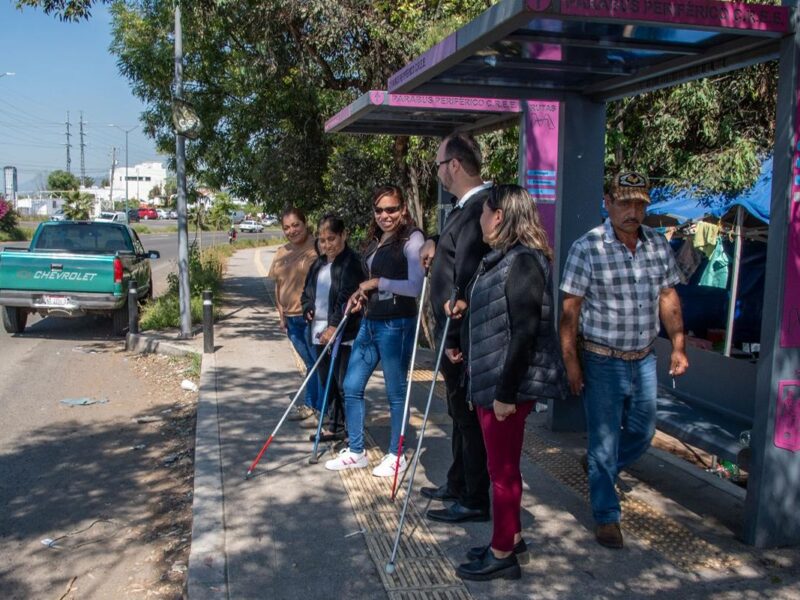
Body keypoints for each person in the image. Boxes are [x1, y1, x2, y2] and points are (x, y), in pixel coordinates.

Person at [559, 171, 689, 549]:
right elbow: (570, 311)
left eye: (640, 203)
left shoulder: (656, 245)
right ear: (608, 201)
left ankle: (604, 466)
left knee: (643, 432)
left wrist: (678, 344)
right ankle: (606, 515)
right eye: (624, 202)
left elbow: (667, 297)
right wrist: (571, 363)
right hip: (601, 360)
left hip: (644, 358)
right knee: (603, 441)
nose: (633, 211)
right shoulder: (588, 247)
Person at [446, 184, 566, 581]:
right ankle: (509, 538)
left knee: (502, 472)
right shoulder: (502, 260)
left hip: (504, 387)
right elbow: (499, 317)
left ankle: (502, 554)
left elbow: (525, 332)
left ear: (498, 216)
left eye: (484, 212)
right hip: (492, 379)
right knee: (506, 468)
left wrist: (505, 394)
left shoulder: (524, 262)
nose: (479, 218)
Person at [324, 185, 425, 477]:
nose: (385, 215)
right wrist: (362, 294)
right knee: (351, 386)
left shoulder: (412, 239)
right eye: (379, 210)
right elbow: (372, 282)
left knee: (396, 392)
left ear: (403, 209)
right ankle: (356, 451)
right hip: (370, 321)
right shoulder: (377, 239)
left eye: (391, 209)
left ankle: (397, 454)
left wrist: (377, 283)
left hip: (397, 324)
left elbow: (415, 287)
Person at [418, 132, 492, 524]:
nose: (439, 173)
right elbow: (452, 248)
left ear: (456, 165)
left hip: (462, 337)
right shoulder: (465, 208)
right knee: (457, 415)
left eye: (439, 165)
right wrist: (433, 240)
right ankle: (458, 481)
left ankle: (475, 497)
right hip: (453, 335)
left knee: (468, 417)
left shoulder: (483, 207)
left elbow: (470, 277)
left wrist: (457, 338)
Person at [301, 214, 366, 442]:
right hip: (319, 333)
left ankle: (351, 431)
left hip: (342, 333)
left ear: (343, 235)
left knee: (343, 382)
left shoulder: (352, 262)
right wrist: (307, 307)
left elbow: (347, 298)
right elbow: (307, 293)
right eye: (322, 240)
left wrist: (333, 327)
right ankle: (334, 425)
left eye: (331, 238)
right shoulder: (318, 263)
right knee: (326, 381)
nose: (327, 245)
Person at [268, 207, 322, 427]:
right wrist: (281, 315)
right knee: (311, 362)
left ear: (305, 223)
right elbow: (278, 285)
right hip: (291, 319)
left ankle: (319, 408)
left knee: (317, 363)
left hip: (312, 317)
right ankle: (313, 405)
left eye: (296, 225)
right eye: (287, 227)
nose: (292, 230)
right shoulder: (281, 252)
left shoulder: (319, 246)